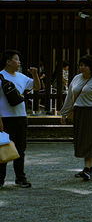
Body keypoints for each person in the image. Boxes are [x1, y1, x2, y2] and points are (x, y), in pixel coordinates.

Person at [0, 49, 40, 189]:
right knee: (3, 147)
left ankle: (20, 178)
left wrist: (35, 74)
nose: (19, 62)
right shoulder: (0, 77)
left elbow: (36, 86)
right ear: (8, 61)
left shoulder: (21, 77)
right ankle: (0, 179)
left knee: (20, 149)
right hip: (5, 118)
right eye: (16, 59)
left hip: (21, 117)